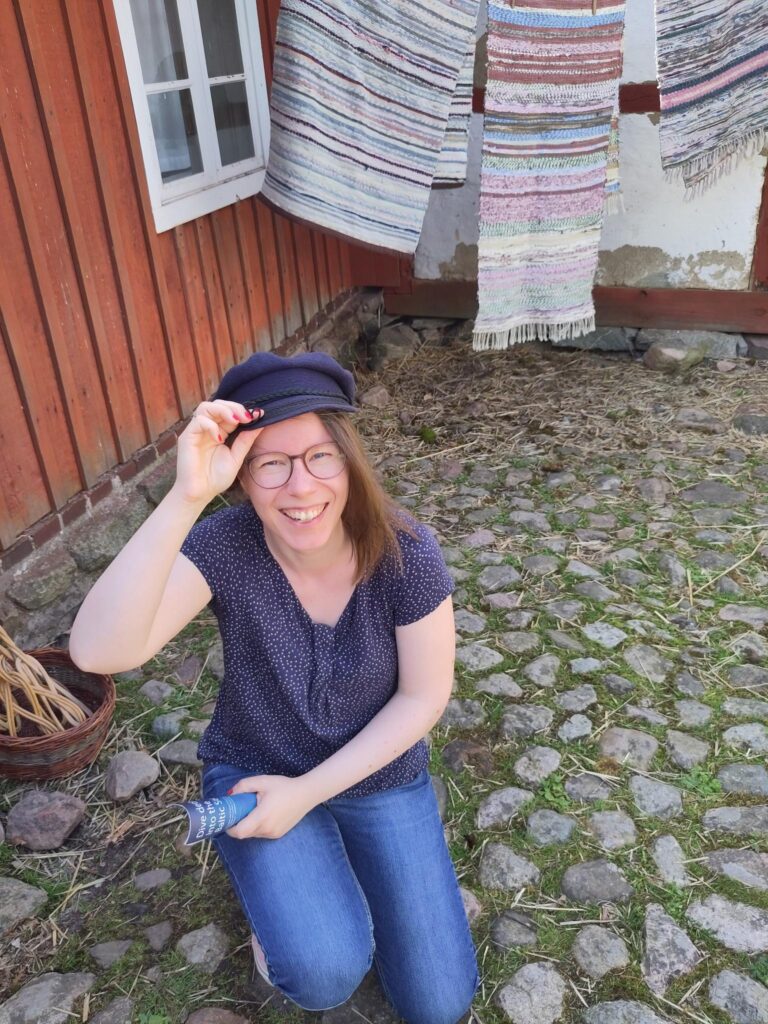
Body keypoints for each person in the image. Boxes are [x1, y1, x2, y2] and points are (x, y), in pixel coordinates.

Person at [69, 351, 479, 1021]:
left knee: (438, 1004)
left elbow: (422, 698)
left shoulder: (406, 552)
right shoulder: (225, 546)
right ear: (242, 477)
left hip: (379, 775)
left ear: (348, 459)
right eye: (271, 464)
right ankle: (284, 905)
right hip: (258, 772)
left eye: (320, 456)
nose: (300, 487)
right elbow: (97, 651)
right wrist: (186, 497)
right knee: (322, 974)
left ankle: (326, 872)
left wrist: (309, 793)